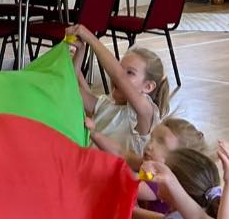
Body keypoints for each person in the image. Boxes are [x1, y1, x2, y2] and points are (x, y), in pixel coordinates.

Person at [71, 24, 167, 164]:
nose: (118, 75)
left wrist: (89, 37)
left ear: (148, 86)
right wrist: (79, 52)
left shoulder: (145, 114)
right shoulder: (105, 105)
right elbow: (73, 89)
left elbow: (118, 76)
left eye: (130, 72)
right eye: (120, 68)